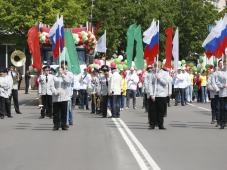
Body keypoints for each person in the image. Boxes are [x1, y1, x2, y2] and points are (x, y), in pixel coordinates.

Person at [52, 66, 72, 130]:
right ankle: (56, 125)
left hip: (64, 97)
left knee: (64, 112)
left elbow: (68, 82)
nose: (59, 71)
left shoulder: (66, 77)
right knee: (56, 112)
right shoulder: (54, 77)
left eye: (61, 70)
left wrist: (63, 75)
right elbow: (51, 86)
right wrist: (55, 91)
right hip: (56, 97)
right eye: (58, 70)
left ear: (63, 70)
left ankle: (64, 125)